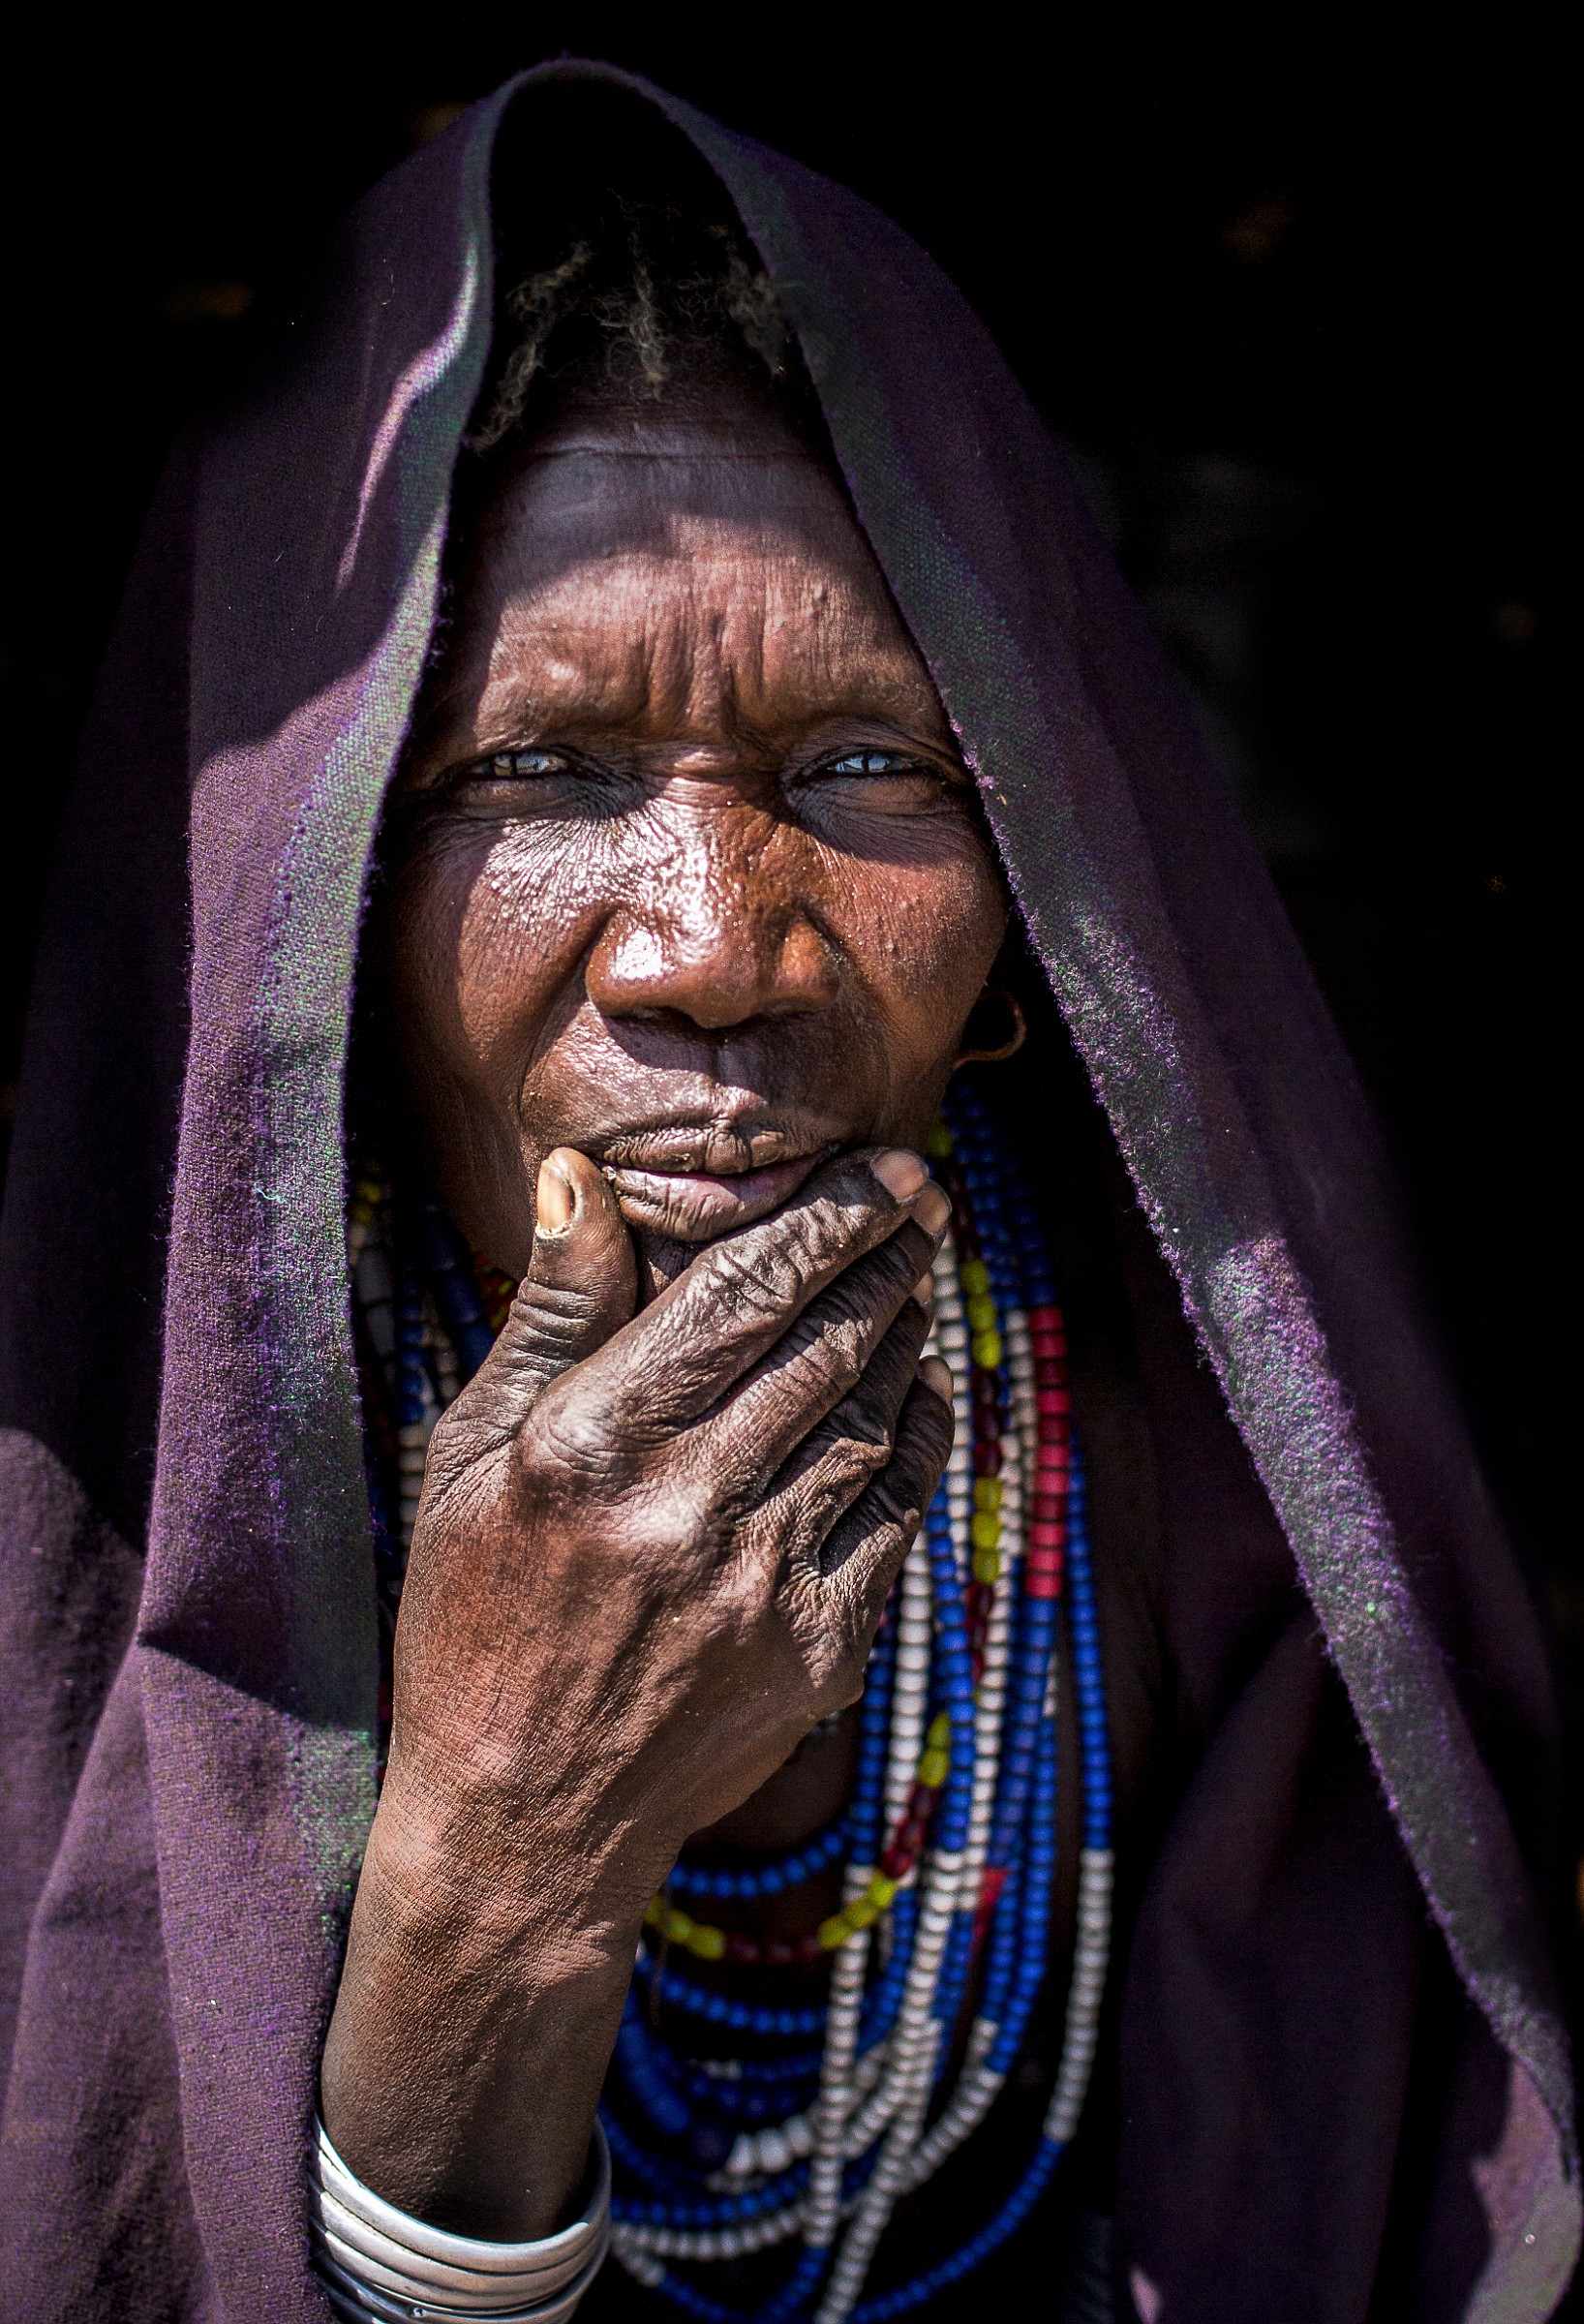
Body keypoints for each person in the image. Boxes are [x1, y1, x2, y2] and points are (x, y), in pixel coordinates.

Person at [0, 64, 1572, 2324]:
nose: (717, 946)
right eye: (539, 772)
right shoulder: (130, 1530)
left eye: (861, 768)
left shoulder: (1206, 1508)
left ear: (1035, 884)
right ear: (314, 900)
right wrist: (495, 1874)